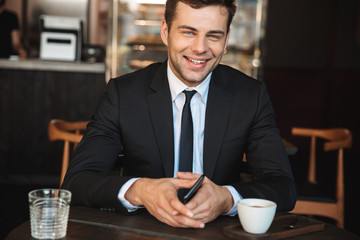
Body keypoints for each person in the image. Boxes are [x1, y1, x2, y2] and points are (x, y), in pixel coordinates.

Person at [62, 0, 297, 229]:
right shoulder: (123, 94)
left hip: (215, 231)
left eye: (213, 36)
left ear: (226, 40)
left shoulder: (251, 96)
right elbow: (77, 182)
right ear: (165, 31)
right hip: (142, 230)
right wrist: (140, 190)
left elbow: (283, 188)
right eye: (188, 32)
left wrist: (227, 198)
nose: (200, 48)